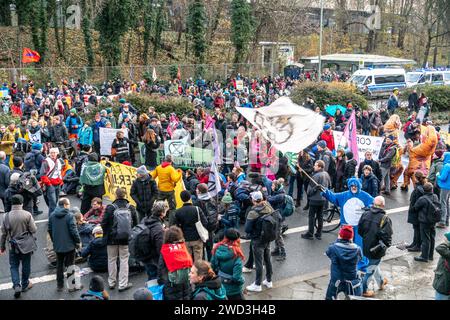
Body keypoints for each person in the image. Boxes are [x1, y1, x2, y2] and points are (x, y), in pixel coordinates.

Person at [322, 178, 374, 272]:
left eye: (355, 186)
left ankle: (361, 266)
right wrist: (325, 192)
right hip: (346, 226)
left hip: (359, 227)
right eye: (352, 186)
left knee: (359, 246)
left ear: (359, 186)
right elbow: (334, 197)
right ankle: (344, 262)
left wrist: (369, 207)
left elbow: (373, 203)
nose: (354, 187)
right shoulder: (344, 195)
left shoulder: (364, 196)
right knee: (344, 246)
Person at [0, 195, 37, 298]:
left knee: (14, 266)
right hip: (26, 245)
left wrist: (2, 247)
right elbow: (33, 230)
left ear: (12, 203)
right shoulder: (27, 214)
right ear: (22, 203)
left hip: (13, 245)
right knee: (26, 264)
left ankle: (16, 285)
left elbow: (3, 234)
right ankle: (25, 284)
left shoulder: (6, 216)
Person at [101, 187, 138, 291]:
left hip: (111, 239)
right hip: (125, 238)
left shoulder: (110, 207)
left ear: (116, 195)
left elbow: (103, 223)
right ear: (125, 195)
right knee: (124, 260)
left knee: (111, 260)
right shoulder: (131, 207)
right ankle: (122, 284)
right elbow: (136, 224)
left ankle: (111, 282)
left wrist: (107, 234)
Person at [357, 196, 392, 297]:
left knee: (374, 265)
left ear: (373, 204)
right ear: (383, 205)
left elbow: (360, 230)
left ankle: (381, 282)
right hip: (377, 249)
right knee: (370, 270)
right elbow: (387, 237)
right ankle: (363, 290)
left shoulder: (365, 214)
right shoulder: (385, 218)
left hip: (366, 246)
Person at [48, 198, 82, 292]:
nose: (69, 206)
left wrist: (55, 241)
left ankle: (60, 285)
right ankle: (72, 286)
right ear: (65, 205)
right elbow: (74, 231)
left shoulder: (52, 215)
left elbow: (50, 230)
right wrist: (78, 241)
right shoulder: (70, 216)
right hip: (69, 245)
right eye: (69, 204)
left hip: (58, 245)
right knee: (70, 265)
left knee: (59, 265)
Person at [244, 191, 274, 292]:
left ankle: (257, 284)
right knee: (267, 259)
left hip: (257, 239)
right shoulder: (268, 207)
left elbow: (247, 229)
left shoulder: (253, 212)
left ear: (253, 200)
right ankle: (269, 281)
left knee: (258, 262)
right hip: (267, 237)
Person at [325, 225, 362, 300]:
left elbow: (328, 254)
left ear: (340, 235)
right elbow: (360, 259)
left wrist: (338, 241)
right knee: (352, 297)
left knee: (330, 297)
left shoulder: (333, 248)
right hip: (351, 279)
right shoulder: (357, 249)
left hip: (336, 279)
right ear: (351, 237)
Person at [157, 225, 193, 300]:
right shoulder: (183, 247)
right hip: (185, 281)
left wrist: (160, 281)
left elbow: (161, 268)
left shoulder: (165, 250)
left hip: (171, 284)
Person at [210, 228, 245, 300]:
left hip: (220, 287)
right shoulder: (236, 255)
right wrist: (242, 281)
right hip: (234, 291)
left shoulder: (217, 249)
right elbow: (236, 278)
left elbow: (212, 267)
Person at [174, 190, 208, 263]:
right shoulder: (197, 209)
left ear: (181, 199)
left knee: (188, 260)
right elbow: (205, 222)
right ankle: (197, 273)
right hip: (197, 237)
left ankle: (190, 273)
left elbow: (176, 227)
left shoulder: (178, 212)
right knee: (198, 260)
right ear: (190, 197)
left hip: (185, 239)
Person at [301, 160, 331, 240]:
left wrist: (312, 192)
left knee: (311, 217)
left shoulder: (315, 176)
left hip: (314, 200)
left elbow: (309, 191)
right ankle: (319, 233)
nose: (314, 166)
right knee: (320, 216)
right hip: (323, 199)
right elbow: (330, 186)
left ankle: (310, 233)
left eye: (315, 165)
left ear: (320, 167)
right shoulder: (326, 174)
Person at [140, 201, 167, 280]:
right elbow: (160, 248)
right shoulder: (158, 228)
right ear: (162, 213)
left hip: (146, 255)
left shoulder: (145, 220)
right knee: (155, 279)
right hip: (154, 259)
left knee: (151, 277)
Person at [151, 155, 182, 221]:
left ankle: (157, 221)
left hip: (160, 190)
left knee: (158, 206)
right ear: (171, 161)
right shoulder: (171, 169)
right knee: (172, 208)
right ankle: (171, 224)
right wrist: (179, 173)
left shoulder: (158, 167)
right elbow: (175, 179)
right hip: (169, 191)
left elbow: (152, 177)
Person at [413, 182, 439, 262]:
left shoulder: (422, 199)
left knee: (425, 239)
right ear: (431, 189)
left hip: (424, 222)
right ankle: (430, 255)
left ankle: (424, 257)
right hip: (433, 221)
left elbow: (415, 208)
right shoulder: (435, 196)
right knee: (432, 237)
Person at [406, 171, 427, 252]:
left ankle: (417, 245)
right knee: (416, 228)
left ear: (416, 178)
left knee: (417, 229)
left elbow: (418, 202)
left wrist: (413, 208)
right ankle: (414, 243)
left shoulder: (418, 189)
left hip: (416, 212)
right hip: (417, 212)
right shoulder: (421, 186)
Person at [40, 147, 64, 216]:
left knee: (55, 201)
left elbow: (60, 171)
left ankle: (53, 216)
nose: (53, 154)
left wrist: (61, 180)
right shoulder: (46, 161)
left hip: (58, 184)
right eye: (51, 153)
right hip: (50, 185)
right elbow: (42, 174)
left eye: (54, 152)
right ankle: (52, 219)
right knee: (53, 203)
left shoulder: (59, 161)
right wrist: (49, 184)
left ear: (57, 153)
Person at [432, 231, 450, 300]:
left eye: (445, 240)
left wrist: (446, 243)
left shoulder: (447, 253)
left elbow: (439, 248)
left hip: (443, 286)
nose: (443, 241)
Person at [436, 152, 450, 228]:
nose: (442, 157)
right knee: (447, 203)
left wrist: (438, 175)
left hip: (445, 187)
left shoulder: (447, 166)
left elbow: (443, 178)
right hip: (449, 187)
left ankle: (442, 222)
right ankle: (447, 220)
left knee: (443, 203)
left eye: (444, 156)